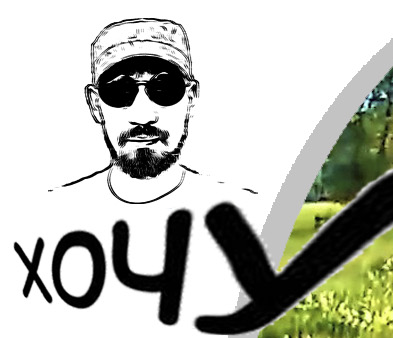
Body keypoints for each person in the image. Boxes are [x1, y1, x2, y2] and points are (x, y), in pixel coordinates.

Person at [53, 18, 259, 209]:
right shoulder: (52, 214)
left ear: (191, 98)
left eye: (164, 89)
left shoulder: (249, 213)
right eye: (120, 91)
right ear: (95, 103)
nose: (143, 116)